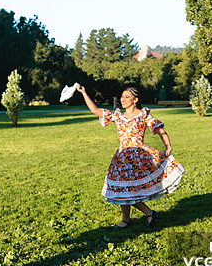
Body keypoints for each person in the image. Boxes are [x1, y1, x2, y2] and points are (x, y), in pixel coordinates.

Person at [75, 84, 184, 227]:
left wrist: (168, 146)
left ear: (135, 100)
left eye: (127, 97)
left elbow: (160, 130)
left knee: (130, 189)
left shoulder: (143, 115)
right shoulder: (118, 115)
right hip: (121, 158)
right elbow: (95, 110)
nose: (123, 99)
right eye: (122, 97)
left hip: (139, 158)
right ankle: (128, 218)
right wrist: (83, 92)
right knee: (122, 188)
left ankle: (145, 214)